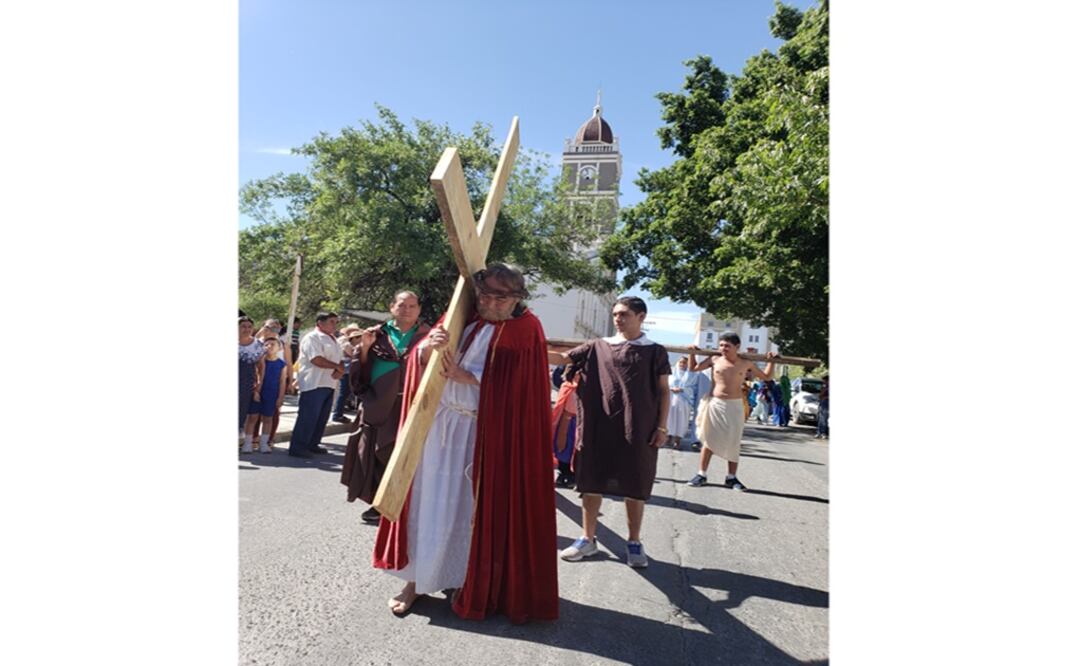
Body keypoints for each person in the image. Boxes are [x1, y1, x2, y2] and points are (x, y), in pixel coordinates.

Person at [374, 263, 557, 624]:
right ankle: (416, 580)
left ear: (517, 298)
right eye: (484, 296)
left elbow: (524, 390)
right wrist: (428, 348)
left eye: (499, 299)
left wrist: (470, 376)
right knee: (426, 502)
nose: (489, 303)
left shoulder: (527, 330)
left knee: (465, 511)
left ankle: (462, 579)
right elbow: (422, 358)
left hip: (483, 434)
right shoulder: (462, 316)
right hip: (437, 426)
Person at [551, 296, 671, 569]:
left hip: (638, 427)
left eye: (624, 314)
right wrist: (529, 343)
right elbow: (563, 358)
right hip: (597, 424)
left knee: (635, 484)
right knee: (590, 482)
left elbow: (664, 391)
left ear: (641, 317)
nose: (618, 318)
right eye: (615, 314)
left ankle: (634, 542)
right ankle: (587, 539)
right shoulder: (597, 346)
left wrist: (662, 426)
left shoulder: (655, 351)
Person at [341, 291, 430, 525]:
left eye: (412, 305)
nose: (407, 310)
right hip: (379, 404)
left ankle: (407, 505)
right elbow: (360, 371)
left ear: (419, 309)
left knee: (411, 455)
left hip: (414, 405)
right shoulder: (376, 335)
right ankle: (381, 504)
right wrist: (365, 348)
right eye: (402, 305)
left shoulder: (427, 336)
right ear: (392, 307)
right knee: (379, 454)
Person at [685, 332, 776, 491]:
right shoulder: (714, 359)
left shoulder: (745, 363)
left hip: (735, 405)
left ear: (737, 346)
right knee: (709, 440)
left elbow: (767, 377)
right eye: (721, 345)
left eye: (727, 346)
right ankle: (701, 474)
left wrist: (771, 361)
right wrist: (692, 353)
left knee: (733, 441)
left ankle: (731, 477)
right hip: (715, 403)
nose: (723, 348)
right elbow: (693, 368)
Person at [287, 312, 345, 458]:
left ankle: (313, 443)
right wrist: (336, 367)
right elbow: (316, 359)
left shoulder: (333, 339)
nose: (335, 325)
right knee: (308, 416)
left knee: (321, 417)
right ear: (320, 322)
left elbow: (340, 359)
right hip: (314, 383)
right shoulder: (312, 337)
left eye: (336, 322)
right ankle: (298, 447)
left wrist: (340, 370)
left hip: (330, 382)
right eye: (332, 321)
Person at [241, 337, 287, 454]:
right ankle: (248, 443)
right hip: (258, 393)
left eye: (273, 344)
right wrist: (255, 391)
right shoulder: (259, 361)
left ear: (279, 348)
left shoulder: (281, 364)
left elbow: (282, 382)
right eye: (267, 344)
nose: (269, 347)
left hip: (271, 394)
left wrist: (280, 397)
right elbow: (255, 377)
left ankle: (264, 443)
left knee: (268, 418)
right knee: (252, 418)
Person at [551, 368, 579, 488]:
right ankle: (564, 473)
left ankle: (573, 476)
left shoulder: (588, 387)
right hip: (566, 421)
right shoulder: (567, 386)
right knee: (562, 447)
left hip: (579, 422)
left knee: (575, 449)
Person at [238, 316, 265, 436]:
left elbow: (261, 366)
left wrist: (259, 383)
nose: (247, 329)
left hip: (246, 383)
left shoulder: (258, 344)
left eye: (249, 327)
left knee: (241, 411)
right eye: (243, 326)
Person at [332, 323, 362, 423]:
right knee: (343, 392)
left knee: (345, 392)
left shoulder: (347, 344)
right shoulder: (347, 345)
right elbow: (354, 356)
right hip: (345, 371)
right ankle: (337, 414)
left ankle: (338, 412)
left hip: (347, 370)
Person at [665, 357, 693, 448]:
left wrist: (683, 389)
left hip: (684, 401)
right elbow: (665, 384)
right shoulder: (671, 373)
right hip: (671, 400)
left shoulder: (691, 375)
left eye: (685, 363)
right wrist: (672, 389)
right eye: (681, 362)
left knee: (681, 421)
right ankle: (669, 437)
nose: (682, 364)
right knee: (670, 419)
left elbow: (693, 388)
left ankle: (677, 441)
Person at [815, 375, 830, 439]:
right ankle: (819, 432)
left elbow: (823, 394)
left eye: (825, 381)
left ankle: (823, 433)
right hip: (822, 402)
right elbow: (820, 394)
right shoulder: (825, 386)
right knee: (820, 418)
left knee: (824, 418)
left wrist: (824, 396)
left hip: (826, 402)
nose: (823, 382)